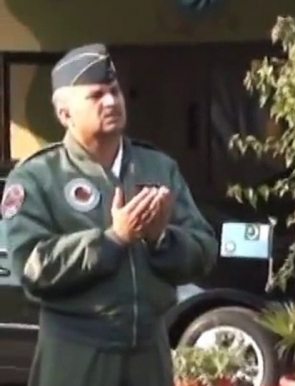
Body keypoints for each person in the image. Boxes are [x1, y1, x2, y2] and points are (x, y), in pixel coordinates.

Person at [1, 43, 218, 386]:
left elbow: (204, 252)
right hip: (77, 353)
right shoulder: (38, 178)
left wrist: (162, 239)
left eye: (115, 91)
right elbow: (32, 267)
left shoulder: (158, 168)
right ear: (65, 115)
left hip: (149, 354)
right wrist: (113, 240)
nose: (111, 102)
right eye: (96, 95)